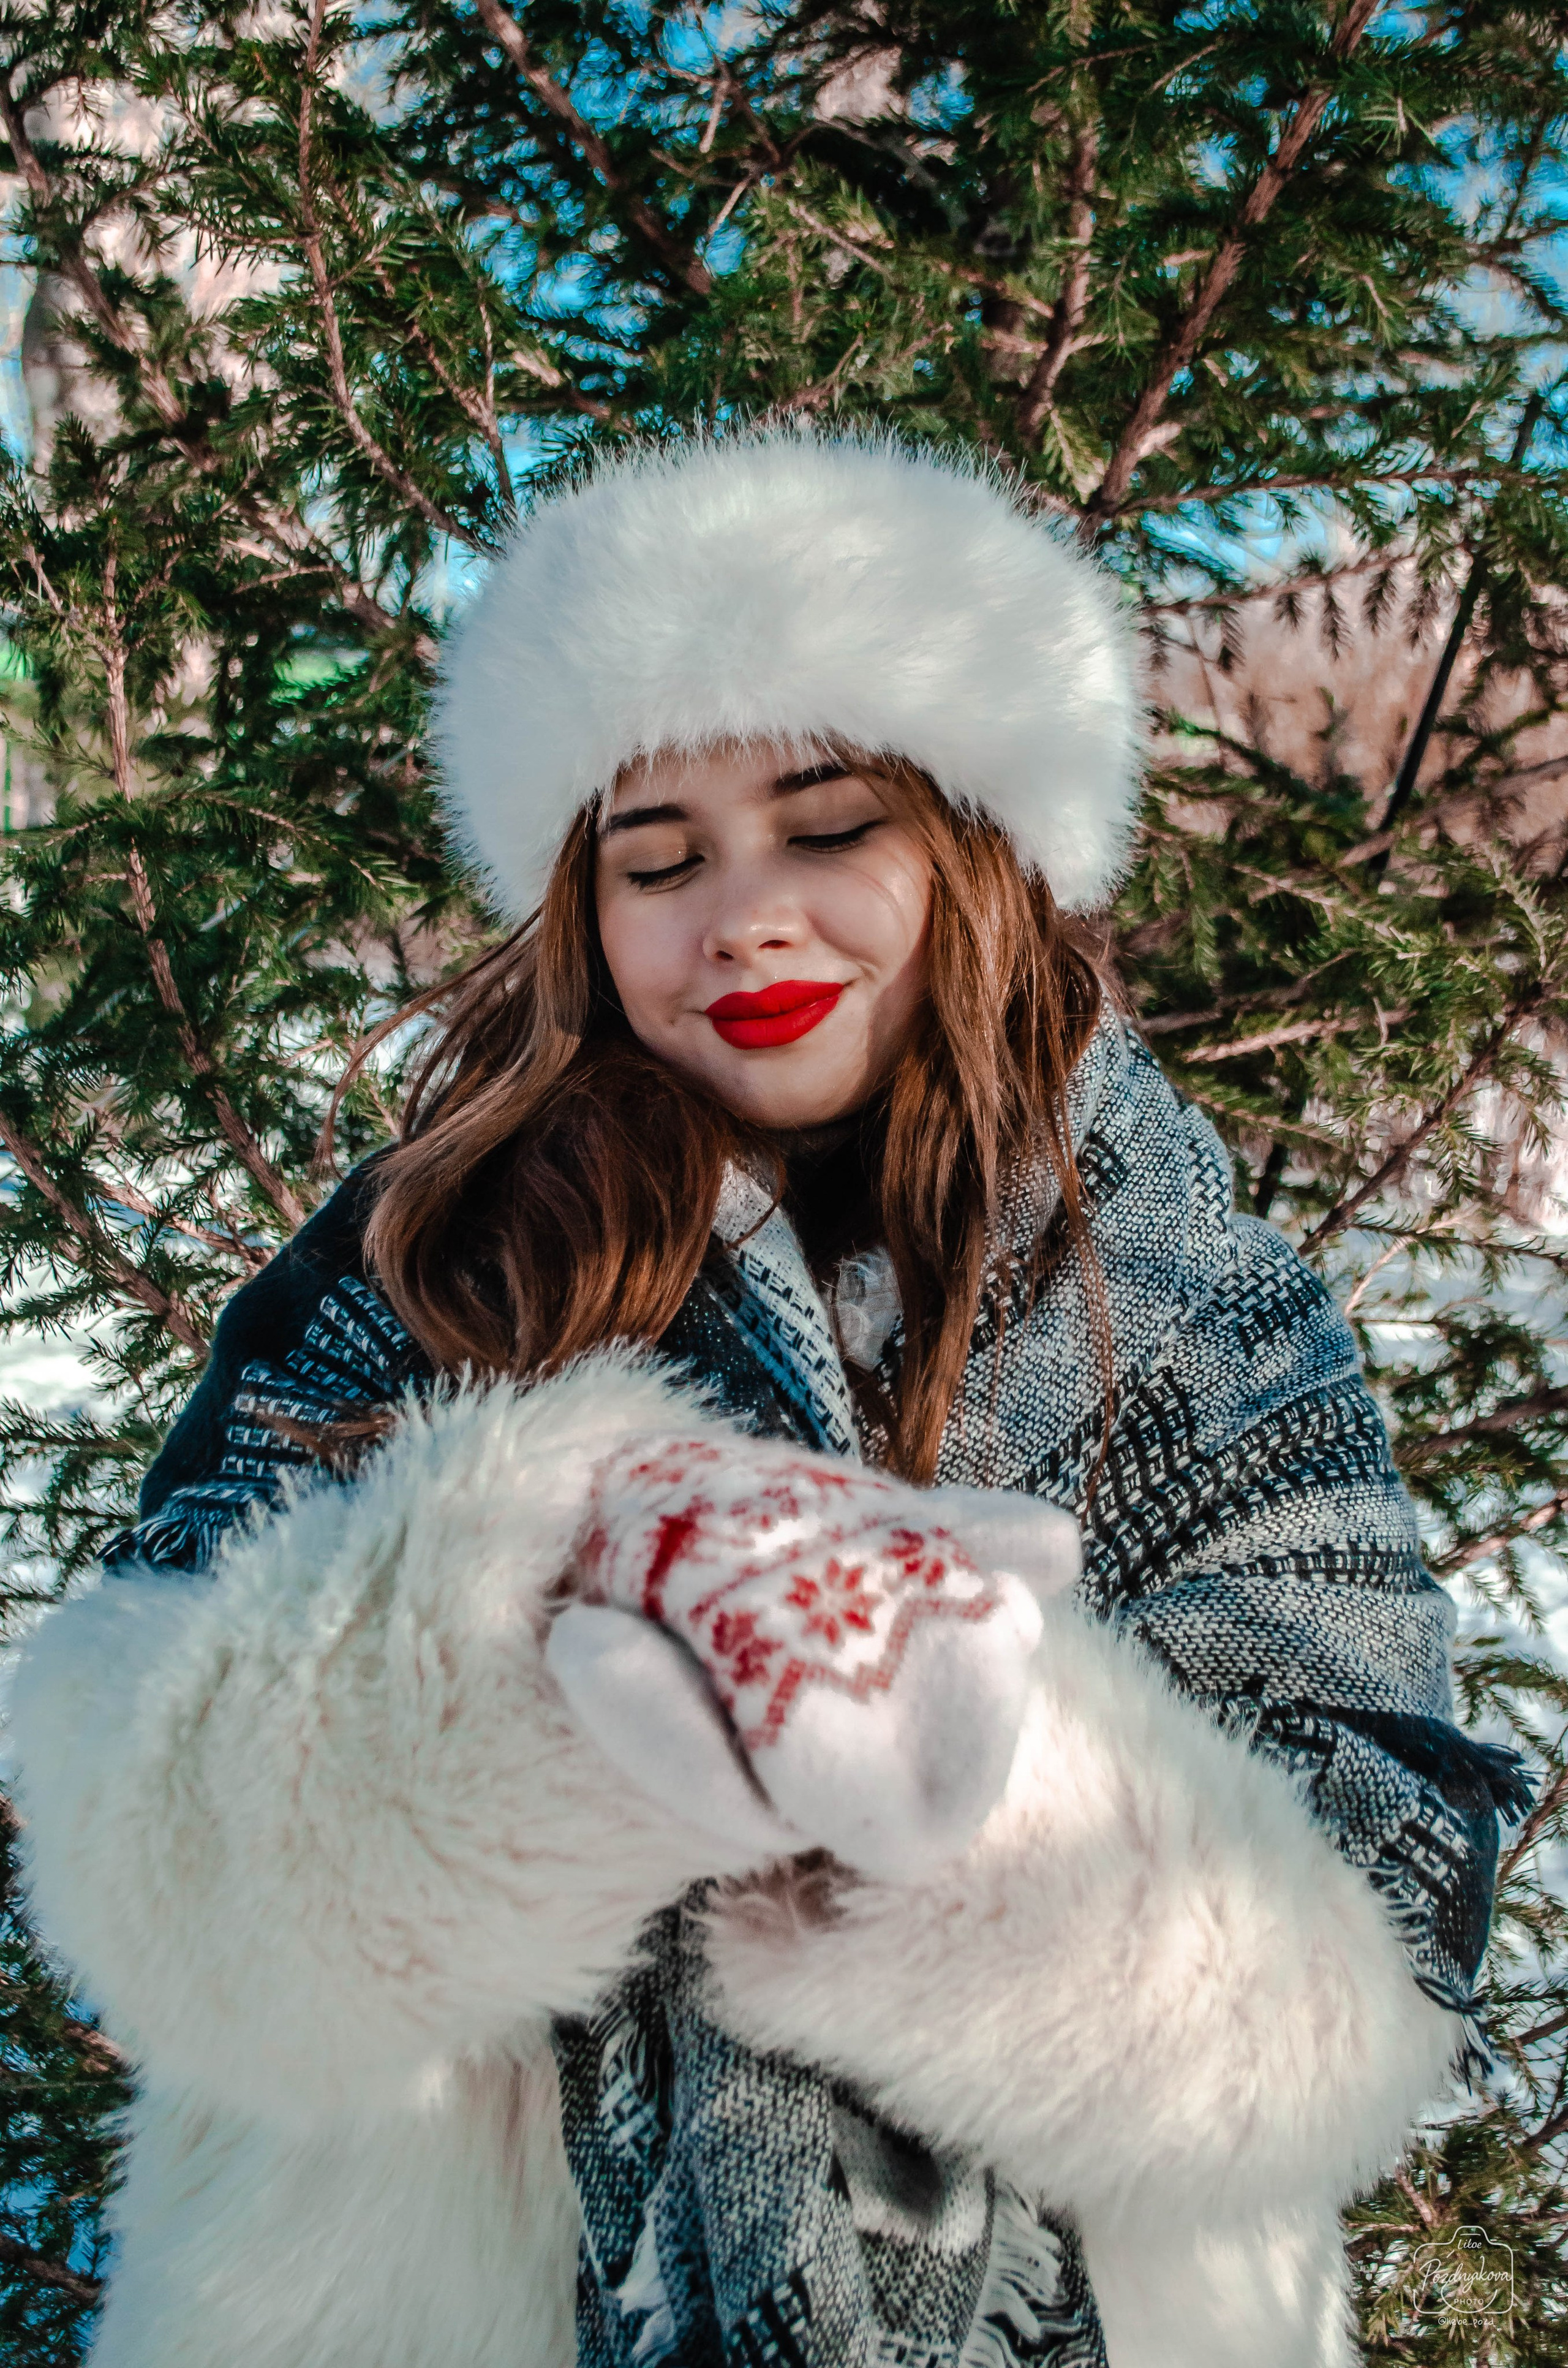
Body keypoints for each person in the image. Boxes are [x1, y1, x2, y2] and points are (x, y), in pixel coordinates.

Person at [7, 433, 1525, 2368]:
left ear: (975, 843)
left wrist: (939, 1751)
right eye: (662, 860)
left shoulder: (1189, 1298)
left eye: (828, 829)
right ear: (586, 906)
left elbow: (1380, 1911)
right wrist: (525, 1676)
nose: (745, 917)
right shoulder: (419, 1263)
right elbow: (146, 1823)